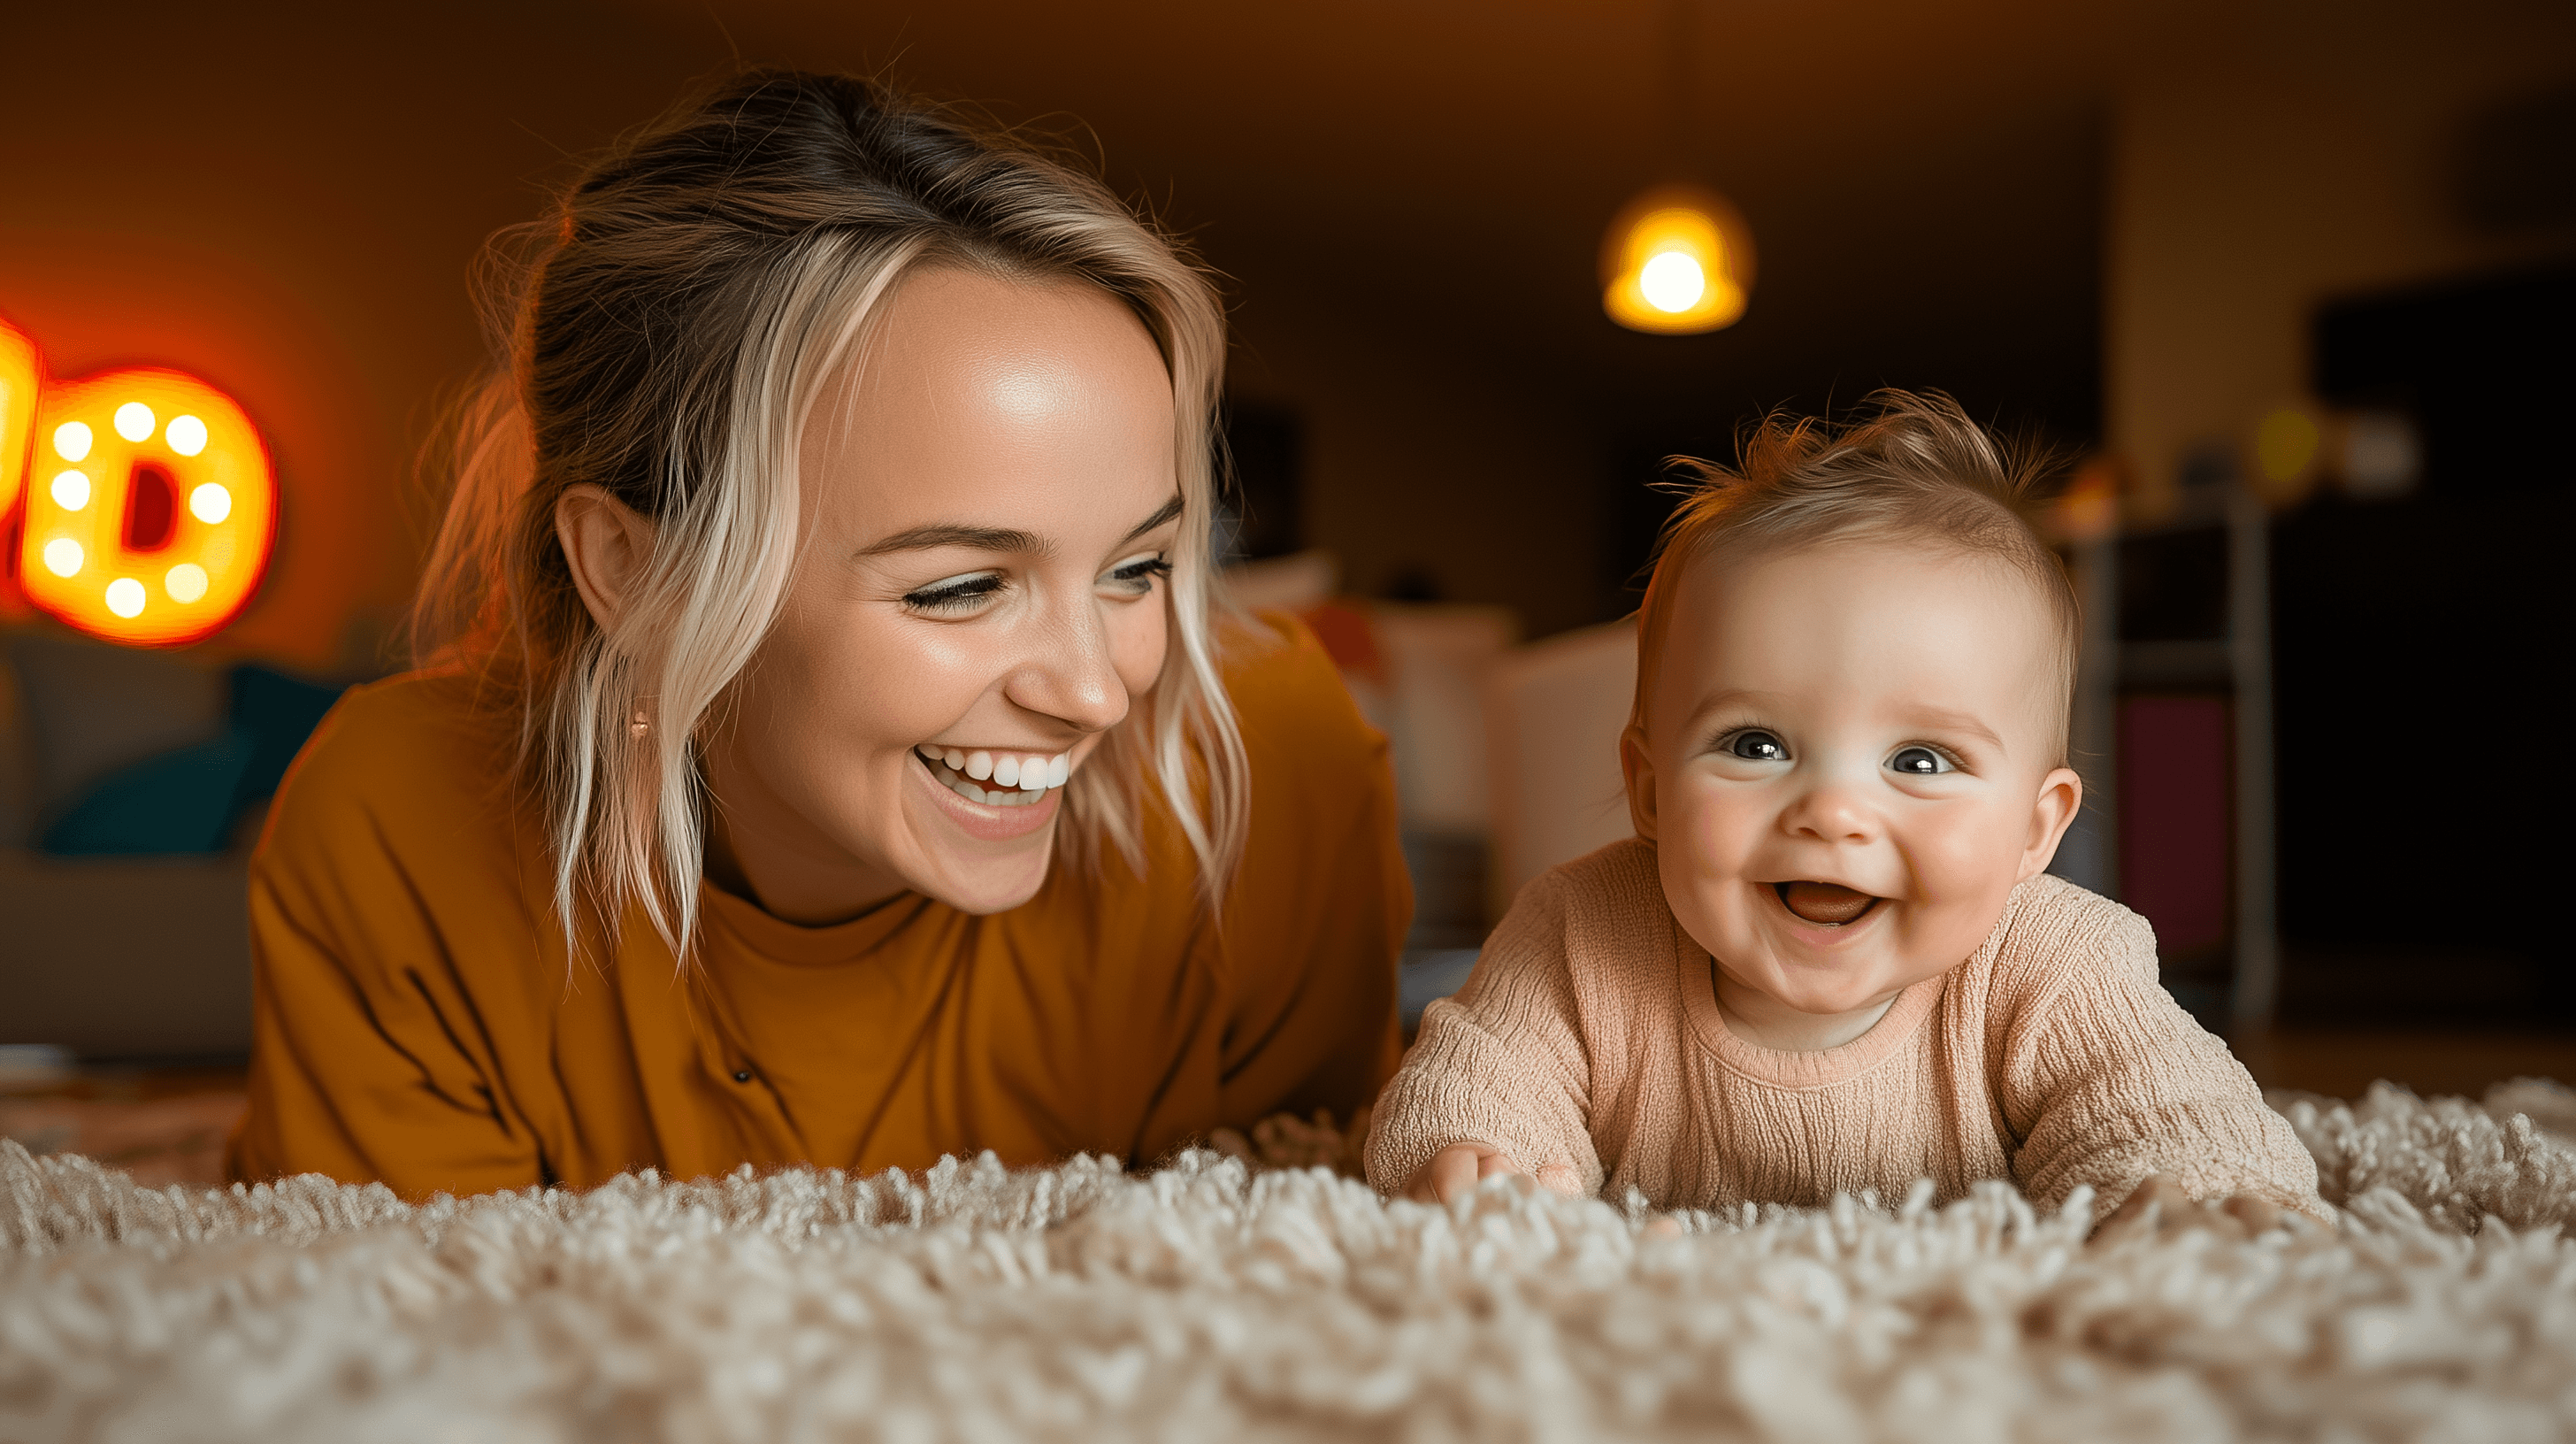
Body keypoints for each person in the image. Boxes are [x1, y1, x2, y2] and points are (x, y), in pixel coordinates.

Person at [227, 71, 1408, 1200]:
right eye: (959, 588)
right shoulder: (398, 826)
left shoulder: (1265, 765)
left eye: (1138, 568)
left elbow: (1297, 1277)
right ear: (635, 572)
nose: (1099, 694)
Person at [1362, 392, 2328, 1233]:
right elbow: (1469, 1084)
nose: (1830, 811)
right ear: (1651, 789)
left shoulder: (2051, 962)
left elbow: (2172, 1114)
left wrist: (2185, 1205)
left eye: (1918, 759)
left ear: (2034, 830)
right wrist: (1476, 1163)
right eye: (1755, 744)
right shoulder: (1579, 934)